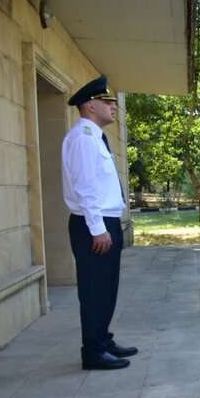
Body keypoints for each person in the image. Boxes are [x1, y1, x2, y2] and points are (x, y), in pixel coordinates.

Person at [62, 76, 136, 370]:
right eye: (108, 102)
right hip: (93, 225)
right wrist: (98, 229)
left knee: (106, 287)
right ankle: (92, 351)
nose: (114, 107)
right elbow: (86, 187)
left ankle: (103, 340)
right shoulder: (82, 139)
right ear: (91, 106)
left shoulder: (94, 138)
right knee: (94, 290)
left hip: (105, 223)